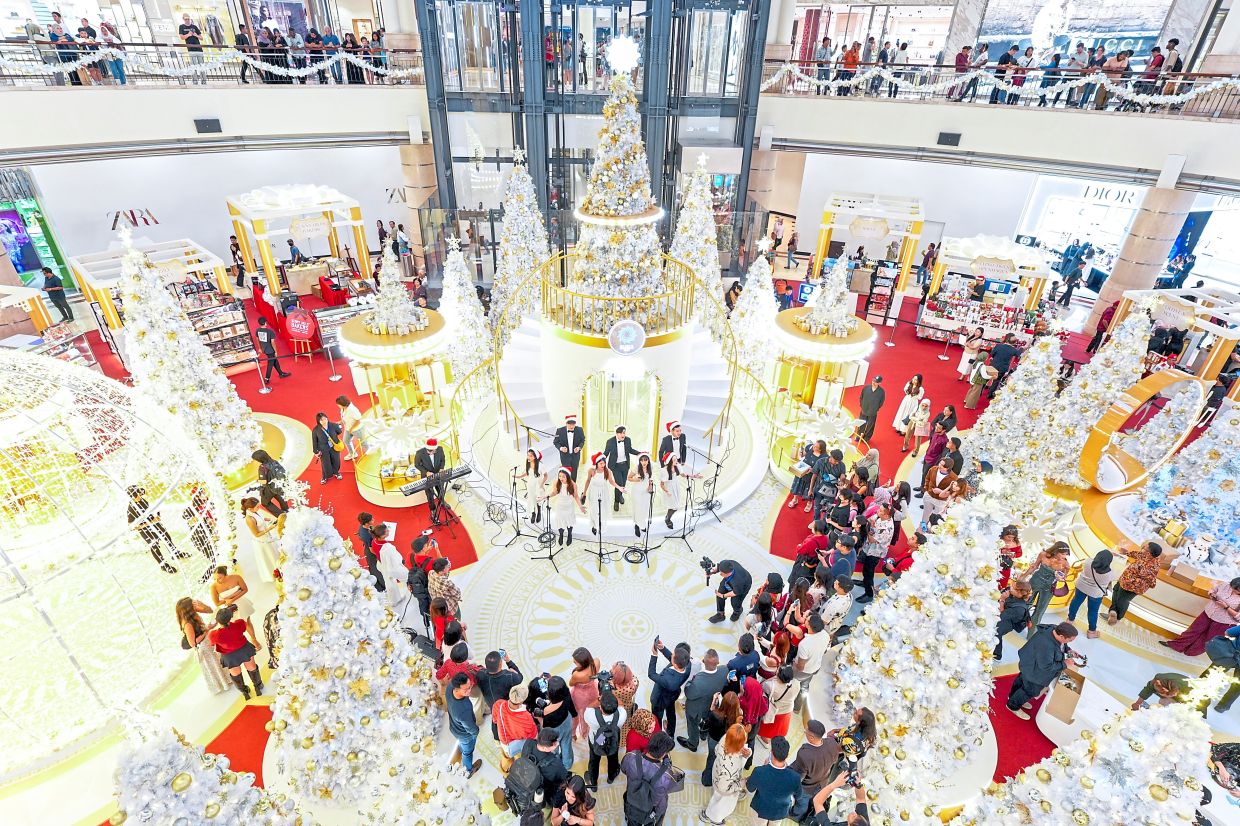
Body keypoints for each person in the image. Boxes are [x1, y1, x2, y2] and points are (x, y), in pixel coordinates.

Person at [1006, 621, 1080, 719]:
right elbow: (1046, 666)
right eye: (1070, 640)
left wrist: (1069, 650)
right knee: (1029, 690)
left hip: (1028, 663)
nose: (1069, 642)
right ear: (1062, 636)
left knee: (1021, 681)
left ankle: (1012, 697)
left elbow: (1061, 645)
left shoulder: (1054, 629)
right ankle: (1012, 706)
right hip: (1035, 672)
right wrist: (1065, 663)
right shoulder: (1047, 645)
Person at [1161, 578, 1240, 656]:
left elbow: (1238, 617)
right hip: (1209, 612)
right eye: (1232, 587)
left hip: (1225, 622)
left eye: (1236, 590)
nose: (1232, 590)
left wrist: (1226, 607)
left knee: (1208, 639)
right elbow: (1213, 590)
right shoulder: (1226, 584)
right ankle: (1176, 645)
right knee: (1193, 630)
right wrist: (1211, 594)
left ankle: (1191, 652)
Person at [620, 731, 684, 826]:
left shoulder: (630, 757)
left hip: (632, 800)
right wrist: (667, 766)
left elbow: (624, 769)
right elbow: (672, 788)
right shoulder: (666, 775)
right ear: (663, 753)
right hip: (653, 810)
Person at [176, 597, 230, 694]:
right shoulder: (187, 624)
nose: (195, 605)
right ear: (188, 608)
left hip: (208, 641)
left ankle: (227, 680)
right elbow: (193, 643)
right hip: (203, 646)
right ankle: (221, 684)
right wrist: (207, 630)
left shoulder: (192, 612)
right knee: (213, 664)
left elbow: (210, 611)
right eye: (192, 604)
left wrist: (202, 605)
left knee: (218, 660)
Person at [700, 722, 750, 825]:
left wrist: (745, 753)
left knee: (718, 795)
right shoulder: (729, 766)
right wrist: (742, 783)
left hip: (718, 773)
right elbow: (724, 789)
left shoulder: (725, 738)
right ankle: (711, 817)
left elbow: (717, 750)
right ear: (739, 745)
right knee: (720, 804)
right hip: (726, 787)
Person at [209, 604, 262, 699]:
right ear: (230, 617)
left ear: (217, 621)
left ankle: (245, 692)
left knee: (236, 675)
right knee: (252, 668)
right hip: (244, 650)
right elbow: (243, 626)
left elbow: (212, 643)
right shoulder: (239, 623)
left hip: (229, 656)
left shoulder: (213, 635)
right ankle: (258, 687)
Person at [746, 735, 801, 825]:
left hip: (761, 809)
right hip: (780, 811)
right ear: (786, 755)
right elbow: (798, 796)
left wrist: (765, 767)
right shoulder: (795, 777)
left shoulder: (759, 771)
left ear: (771, 752)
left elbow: (750, 788)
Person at [1107, 541, 1166, 625]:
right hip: (1125, 580)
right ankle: (1113, 612)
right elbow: (1139, 555)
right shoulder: (1149, 557)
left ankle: (1117, 618)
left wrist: (1128, 579)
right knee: (1116, 590)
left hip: (1131, 585)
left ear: (1148, 551)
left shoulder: (1149, 565)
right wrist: (1127, 553)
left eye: (1145, 547)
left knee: (1122, 600)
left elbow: (1145, 576)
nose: (1143, 547)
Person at [529, 674, 577, 771]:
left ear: (550, 693)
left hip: (554, 730)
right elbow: (572, 709)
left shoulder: (547, 709)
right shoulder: (566, 694)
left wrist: (538, 717)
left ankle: (555, 763)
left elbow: (545, 725)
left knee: (553, 749)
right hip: (567, 722)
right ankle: (567, 764)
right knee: (566, 745)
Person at [1067, 550, 1118, 639]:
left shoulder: (1088, 562)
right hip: (1095, 593)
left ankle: (1069, 621)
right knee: (1093, 612)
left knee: (1075, 602)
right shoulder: (1110, 574)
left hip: (1081, 586)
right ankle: (1091, 631)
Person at [1023, 541, 1071, 635]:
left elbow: (1064, 577)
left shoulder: (1065, 564)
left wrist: (1060, 578)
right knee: (1026, 602)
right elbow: (1034, 566)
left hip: (1049, 587)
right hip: (1035, 581)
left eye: (1066, 554)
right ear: (1056, 550)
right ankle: (1017, 623)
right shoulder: (1043, 554)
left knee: (1040, 610)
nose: (1064, 556)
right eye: (1062, 553)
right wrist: (1024, 576)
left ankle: (1031, 633)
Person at [648, 638, 690, 739]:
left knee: (657, 717)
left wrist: (654, 655)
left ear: (675, 664)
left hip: (660, 700)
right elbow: (674, 658)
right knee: (671, 713)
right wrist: (663, 648)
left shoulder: (669, 680)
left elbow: (651, 674)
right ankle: (671, 732)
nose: (672, 655)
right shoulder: (687, 665)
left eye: (673, 655)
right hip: (673, 694)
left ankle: (657, 735)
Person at [584, 689, 626, 789]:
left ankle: (593, 783)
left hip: (597, 740)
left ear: (600, 708)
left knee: (594, 760)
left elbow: (589, 706)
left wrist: (600, 698)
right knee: (613, 758)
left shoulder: (591, 716)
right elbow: (622, 704)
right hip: (613, 739)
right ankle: (611, 777)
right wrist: (612, 696)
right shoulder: (622, 715)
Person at [494, 683, 538, 772]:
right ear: (522, 701)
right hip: (516, 744)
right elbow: (533, 737)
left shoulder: (499, 704)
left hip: (504, 742)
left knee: (506, 757)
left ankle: (505, 769)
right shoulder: (525, 717)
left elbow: (495, 720)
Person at [792, 719, 839, 801]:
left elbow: (799, 777)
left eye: (806, 730)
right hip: (823, 783)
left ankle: (796, 813)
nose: (805, 731)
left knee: (801, 803)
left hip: (807, 788)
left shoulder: (804, 754)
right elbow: (834, 761)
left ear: (811, 737)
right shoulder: (832, 743)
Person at [446, 673, 482, 777]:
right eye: (466, 690)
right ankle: (469, 770)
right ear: (456, 689)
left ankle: (462, 748)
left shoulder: (450, 688)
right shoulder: (463, 710)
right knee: (468, 752)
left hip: (454, 726)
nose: (469, 690)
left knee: (463, 745)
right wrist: (476, 732)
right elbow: (471, 729)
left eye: (470, 686)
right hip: (465, 735)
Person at [858, 503, 894, 603]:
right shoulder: (880, 516)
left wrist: (867, 530)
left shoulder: (886, 529)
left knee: (869, 572)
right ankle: (865, 582)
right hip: (869, 548)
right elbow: (870, 519)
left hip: (875, 552)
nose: (878, 511)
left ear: (887, 515)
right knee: (865, 569)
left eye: (881, 511)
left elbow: (872, 540)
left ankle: (869, 593)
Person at [581, 453, 620, 536]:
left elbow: (611, 481)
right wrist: (584, 492)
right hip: (594, 490)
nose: (603, 465)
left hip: (603, 491)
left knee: (602, 508)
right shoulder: (591, 471)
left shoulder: (607, 471)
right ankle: (594, 525)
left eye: (604, 463)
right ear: (596, 463)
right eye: (601, 463)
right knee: (594, 508)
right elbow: (588, 481)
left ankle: (601, 524)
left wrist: (619, 488)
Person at [372, 523, 409, 611]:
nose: (389, 531)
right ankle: (395, 600)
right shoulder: (387, 547)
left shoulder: (374, 541)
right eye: (387, 531)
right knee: (399, 579)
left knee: (389, 582)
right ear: (382, 536)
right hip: (388, 566)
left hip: (381, 564)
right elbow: (395, 560)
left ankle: (395, 600)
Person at [660, 451, 700, 530]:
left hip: (676, 486)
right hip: (669, 488)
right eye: (674, 460)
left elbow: (683, 475)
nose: (676, 461)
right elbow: (661, 484)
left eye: (676, 459)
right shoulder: (664, 470)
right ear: (670, 461)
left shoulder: (677, 466)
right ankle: (667, 519)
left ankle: (667, 517)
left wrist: (695, 476)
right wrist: (667, 491)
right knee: (674, 507)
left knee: (674, 506)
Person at [569, 647, 602, 739]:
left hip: (580, 696)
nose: (573, 662)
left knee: (578, 715)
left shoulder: (577, 675)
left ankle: (575, 733)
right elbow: (595, 660)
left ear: (582, 663)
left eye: (575, 662)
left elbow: (571, 683)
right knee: (587, 713)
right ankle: (585, 733)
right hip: (592, 691)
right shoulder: (596, 663)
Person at [994, 580, 1032, 658]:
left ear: (1020, 593)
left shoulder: (1019, 609)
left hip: (1009, 622)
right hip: (1005, 616)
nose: (1010, 588)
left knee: (996, 632)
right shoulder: (1012, 594)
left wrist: (1002, 599)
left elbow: (1002, 615)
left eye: (1013, 588)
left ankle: (997, 654)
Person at [413, 437, 448, 524]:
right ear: (427, 449)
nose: (434, 452)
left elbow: (443, 460)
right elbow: (417, 465)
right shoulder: (419, 453)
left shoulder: (440, 449)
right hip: (427, 476)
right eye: (432, 451)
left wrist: (441, 468)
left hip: (438, 474)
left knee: (441, 490)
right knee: (430, 494)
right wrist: (426, 472)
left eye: (435, 450)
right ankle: (433, 509)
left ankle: (442, 502)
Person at [548, 468, 585, 546]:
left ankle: (569, 535)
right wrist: (546, 496)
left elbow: (576, 496)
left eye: (563, 476)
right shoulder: (556, 483)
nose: (561, 478)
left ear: (568, 476)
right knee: (560, 522)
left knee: (569, 522)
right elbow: (554, 492)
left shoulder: (573, 484)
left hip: (569, 507)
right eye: (559, 476)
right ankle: (561, 535)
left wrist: (580, 506)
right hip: (559, 506)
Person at [709, 559, 753, 623]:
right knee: (719, 593)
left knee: (735, 602)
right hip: (730, 580)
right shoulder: (728, 564)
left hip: (743, 586)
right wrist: (713, 571)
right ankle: (720, 614)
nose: (720, 574)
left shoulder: (738, 581)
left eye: (722, 573)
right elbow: (720, 567)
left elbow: (735, 592)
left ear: (728, 573)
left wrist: (723, 596)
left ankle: (738, 611)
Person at [603, 425, 634, 511]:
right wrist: (600, 459)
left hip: (625, 465)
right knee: (619, 483)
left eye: (624, 432)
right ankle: (616, 501)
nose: (622, 434)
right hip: (615, 466)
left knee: (623, 483)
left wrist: (640, 453)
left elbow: (630, 450)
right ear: (617, 434)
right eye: (620, 433)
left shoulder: (628, 440)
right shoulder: (610, 441)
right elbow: (606, 453)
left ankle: (620, 496)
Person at [628, 452, 656, 537]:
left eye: (645, 460)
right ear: (640, 461)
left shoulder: (651, 467)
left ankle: (642, 523)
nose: (644, 462)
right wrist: (635, 479)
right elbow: (629, 478)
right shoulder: (636, 468)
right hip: (637, 491)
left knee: (644, 508)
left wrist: (650, 486)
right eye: (642, 460)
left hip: (646, 491)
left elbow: (650, 479)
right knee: (638, 508)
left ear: (648, 461)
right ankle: (637, 525)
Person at [517, 448, 548, 525]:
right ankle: (533, 513)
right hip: (530, 484)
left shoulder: (541, 465)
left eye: (530, 456)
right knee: (531, 499)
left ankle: (539, 512)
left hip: (538, 484)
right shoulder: (528, 463)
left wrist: (541, 484)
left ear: (535, 457)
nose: (528, 457)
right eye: (528, 455)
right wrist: (519, 476)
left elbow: (546, 476)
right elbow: (527, 473)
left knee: (538, 499)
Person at [254, 317, 290, 382]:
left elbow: (257, 339)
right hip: (270, 350)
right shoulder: (270, 332)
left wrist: (260, 348)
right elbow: (273, 342)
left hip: (265, 349)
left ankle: (281, 373)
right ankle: (267, 378)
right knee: (270, 363)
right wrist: (275, 351)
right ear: (265, 323)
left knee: (275, 361)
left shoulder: (257, 330)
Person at [311, 412, 343, 484]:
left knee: (336, 461)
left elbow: (339, 431)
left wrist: (338, 426)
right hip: (323, 449)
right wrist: (315, 451)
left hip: (334, 447)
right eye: (321, 420)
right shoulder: (316, 430)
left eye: (325, 419)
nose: (324, 421)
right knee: (325, 464)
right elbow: (314, 441)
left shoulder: (333, 425)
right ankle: (325, 476)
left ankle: (336, 472)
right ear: (318, 421)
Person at [335, 395, 368, 460]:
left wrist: (352, 429)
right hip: (348, 428)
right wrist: (340, 422)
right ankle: (352, 453)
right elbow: (345, 417)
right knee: (346, 440)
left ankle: (369, 453)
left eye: (338, 404)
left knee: (363, 442)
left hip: (357, 429)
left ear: (342, 404)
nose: (338, 406)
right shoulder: (343, 408)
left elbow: (358, 420)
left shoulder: (352, 410)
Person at [178, 14, 206, 85]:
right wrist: (189, 34)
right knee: (193, 66)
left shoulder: (194, 26)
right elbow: (182, 37)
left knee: (202, 66)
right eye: (186, 19)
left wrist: (195, 35)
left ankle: (204, 81)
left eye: (188, 19)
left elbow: (201, 38)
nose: (187, 20)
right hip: (191, 50)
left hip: (199, 49)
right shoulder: (181, 27)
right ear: (183, 19)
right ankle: (195, 81)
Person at [554, 413, 584, 479]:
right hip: (565, 456)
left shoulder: (579, 430)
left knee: (574, 473)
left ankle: (573, 488)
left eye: (573, 424)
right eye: (569, 424)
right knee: (565, 473)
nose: (571, 426)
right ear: (566, 423)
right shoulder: (559, 431)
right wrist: (561, 448)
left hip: (575, 456)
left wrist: (579, 448)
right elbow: (555, 442)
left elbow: (582, 440)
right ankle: (565, 487)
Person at [857, 376, 885, 442]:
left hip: (873, 412)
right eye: (873, 381)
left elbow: (881, 402)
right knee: (861, 423)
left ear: (879, 383)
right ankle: (858, 436)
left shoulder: (881, 392)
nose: (874, 383)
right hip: (864, 409)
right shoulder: (866, 388)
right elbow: (861, 397)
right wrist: (862, 405)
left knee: (870, 426)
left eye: (876, 382)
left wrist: (875, 408)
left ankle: (866, 438)